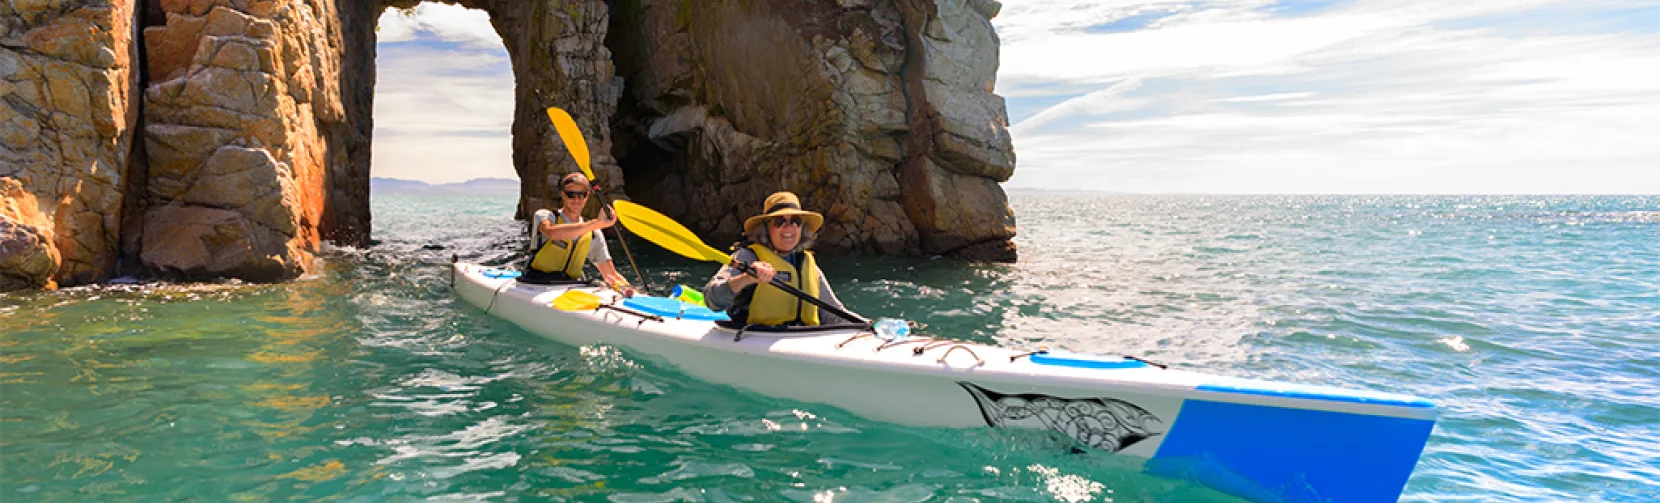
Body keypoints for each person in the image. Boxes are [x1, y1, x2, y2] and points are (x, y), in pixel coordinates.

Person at [703, 191, 853, 326]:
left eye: (796, 221)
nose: (788, 228)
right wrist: (746, 278)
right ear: (766, 228)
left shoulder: (807, 263)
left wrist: (869, 327)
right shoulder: (747, 257)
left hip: (802, 340)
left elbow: (835, 314)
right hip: (753, 340)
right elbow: (712, 300)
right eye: (779, 221)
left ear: (802, 227)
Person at [524, 173, 634, 296]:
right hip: (536, 282)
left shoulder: (594, 234)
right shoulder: (546, 216)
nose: (576, 200)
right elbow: (552, 233)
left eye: (581, 195)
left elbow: (610, 274)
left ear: (587, 196)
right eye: (571, 194)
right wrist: (597, 223)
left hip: (571, 287)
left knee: (599, 284)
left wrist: (631, 291)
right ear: (562, 194)